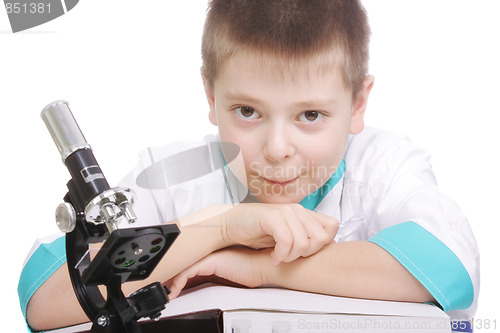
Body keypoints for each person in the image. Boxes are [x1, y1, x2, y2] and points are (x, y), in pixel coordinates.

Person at [19, 0, 479, 331]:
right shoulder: (170, 175)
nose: (277, 149)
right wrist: (221, 227)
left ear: (358, 103)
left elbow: (447, 268)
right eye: (247, 112)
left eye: (310, 115)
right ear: (211, 96)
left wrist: (256, 266)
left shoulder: (382, 166)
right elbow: (45, 296)